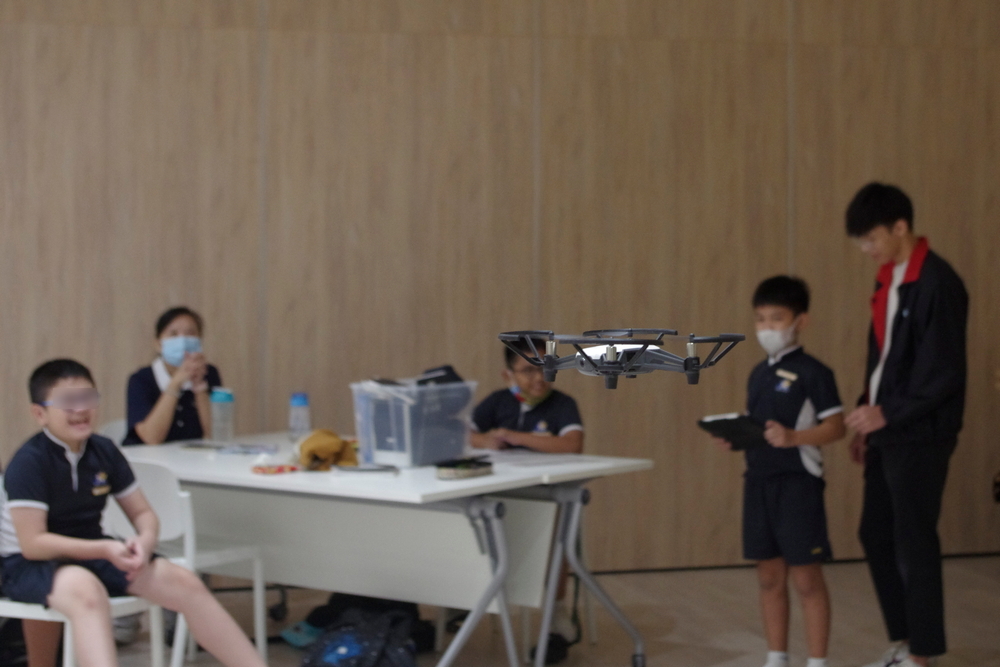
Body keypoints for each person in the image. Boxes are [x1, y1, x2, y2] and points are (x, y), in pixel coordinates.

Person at [0, 359, 267, 667]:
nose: (80, 409)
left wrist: (146, 541)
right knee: (87, 591)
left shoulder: (104, 450)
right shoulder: (28, 462)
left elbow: (143, 514)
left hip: (93, 551)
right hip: (26, 563)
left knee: (185, 583)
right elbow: (34, 544)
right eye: (67, 402)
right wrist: (104, 548)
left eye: (88, 397)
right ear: (40, 413)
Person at [843, 183, 967, 667]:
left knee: (914, 540)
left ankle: (923, 654)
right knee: (875, 533)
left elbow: (944, 372)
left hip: (922, 431)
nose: (867, 250)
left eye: (872, 239)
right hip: (887, 426)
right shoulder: (887, 278)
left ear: (901, 227)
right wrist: (865, 418)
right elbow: (883, 360)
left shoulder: (938, 282)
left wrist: (887, 413)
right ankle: (903, 639)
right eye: (861, 243)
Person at [712, 276, 845, 667]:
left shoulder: (814, 373)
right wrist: (736, 438)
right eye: (760, 320)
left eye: (776, 318)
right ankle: (776, 656)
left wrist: (795, 437)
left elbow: (836, 427)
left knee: (806, 580)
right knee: (769, 577)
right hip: (759, 482)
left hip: (797, 483)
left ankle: (817, 661)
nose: (767, 328)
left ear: (800, 321)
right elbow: (761, 429)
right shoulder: (758, 373)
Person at [469, 339, 584, 664]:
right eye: (528, 370)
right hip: (500, 495)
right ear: (509, 375)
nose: (539, 378)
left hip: (550, 496)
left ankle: (556, 622)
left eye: (547, 369)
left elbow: (572, 445)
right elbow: (463, 433)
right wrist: (486, 439)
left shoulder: (562, 404)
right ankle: (463, 601)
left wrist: (516, 437)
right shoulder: (497, 401)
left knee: (555, 539)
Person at [123, 306, 221, 446]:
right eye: (173, 334)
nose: (182, 340)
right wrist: (176, 383)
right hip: (145, 461)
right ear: (158, 344)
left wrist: (199, 386)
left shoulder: (209, 373)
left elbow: (215, 435)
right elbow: (151, 438)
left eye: (190, 333)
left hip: (193, 460)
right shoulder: (141, 379)